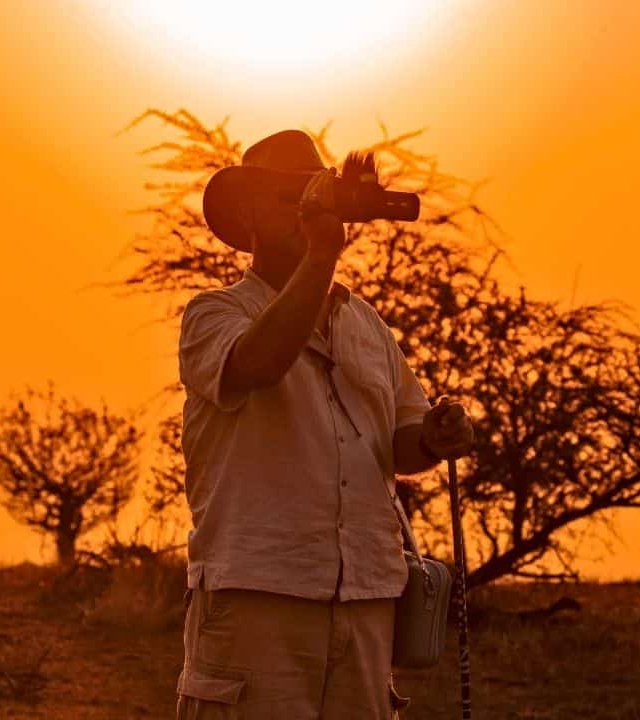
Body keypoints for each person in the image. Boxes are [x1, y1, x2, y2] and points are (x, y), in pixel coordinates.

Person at [176, 130, 475, 719]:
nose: (302, 210)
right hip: (257, 594)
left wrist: (436, 437)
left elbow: (402, 446)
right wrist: (320, 257)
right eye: (287, 198)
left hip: (367, 599)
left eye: (312, 196)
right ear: (246, 215)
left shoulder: (367, 325)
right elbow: (261, 362)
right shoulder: (215, 313)